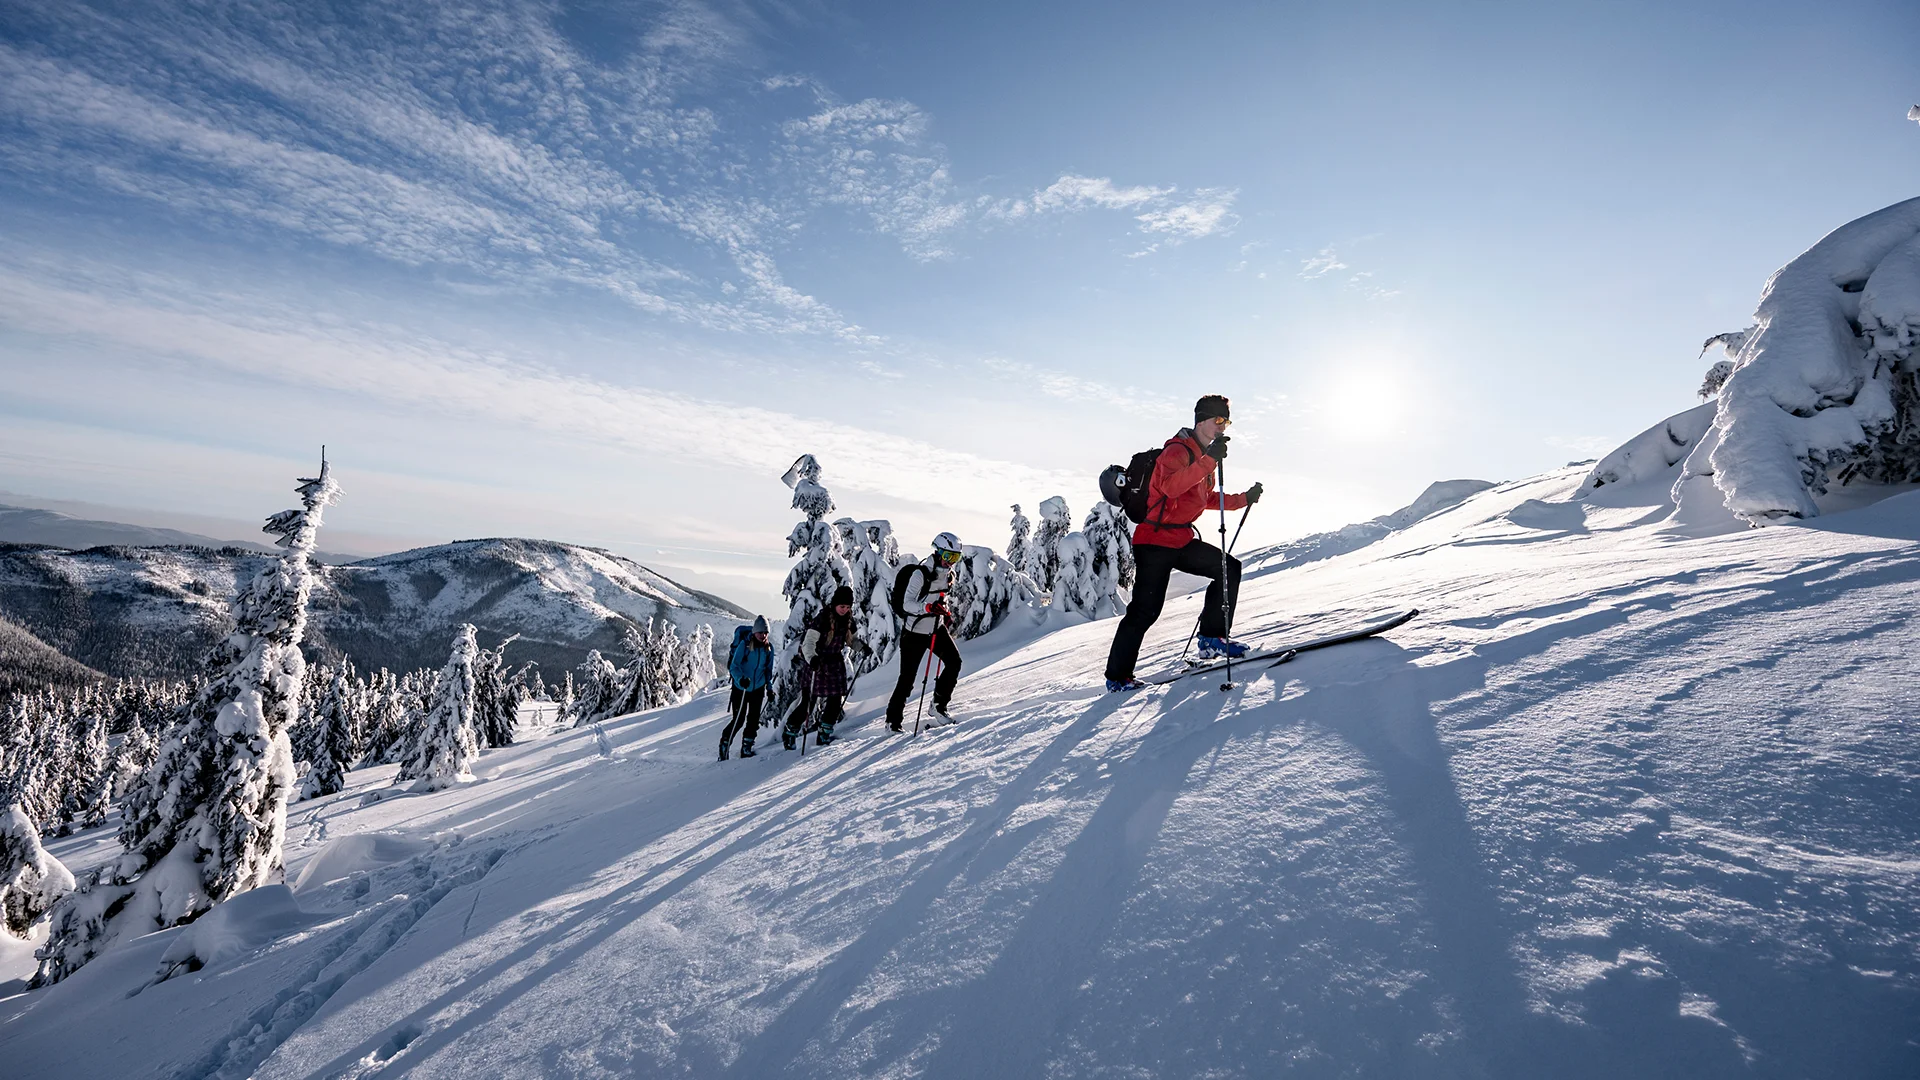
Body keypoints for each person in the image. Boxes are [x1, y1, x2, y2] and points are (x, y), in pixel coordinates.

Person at [1104, 393, 1265, 691]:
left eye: (1226, 421)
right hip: (1153, 542)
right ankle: (1117, 677)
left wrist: (1243, 499)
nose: (1223, 426)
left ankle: (1211, 639)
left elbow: (1202, 498)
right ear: (1201, 420)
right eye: (1218, 420)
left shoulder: (1204, 455)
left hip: (1179, 538)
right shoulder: (1177, 450)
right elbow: (1169, 487)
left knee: (1228, 568)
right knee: (1145, 610)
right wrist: (1209, 461)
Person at [885, 531, 965, 731]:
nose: (951, 562)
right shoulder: (920, 574)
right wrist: (927, 609)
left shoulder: (949, 576)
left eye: (955, 557)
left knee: (954, 662)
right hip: (914, 632)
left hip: (936, 629)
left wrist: (944, 613)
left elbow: (941, 599)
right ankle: (892, 723)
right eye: (948, 556)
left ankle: (938, 706)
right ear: (937, 552)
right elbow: (907, 603)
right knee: (907, 679)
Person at [783, 585, 856, 749]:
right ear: (835, 604)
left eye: (847, 607)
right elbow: (808, 643)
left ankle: (824, 733)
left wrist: (862, 647)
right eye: (842, 606)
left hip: (834, 665)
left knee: (835, 701)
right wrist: (812, 659)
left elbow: (851, 640)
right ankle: (790, 730)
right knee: (808, 704)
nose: (844, 610)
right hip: (817, 664)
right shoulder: (822, 619)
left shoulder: (848, 620)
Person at [720, 615, 773, 760]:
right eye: (760, 632)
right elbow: (734, 666)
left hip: (758, 688)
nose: (763, 635)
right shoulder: (744, 645)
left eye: (765, 633)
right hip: (741, 688)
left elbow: (768, 670)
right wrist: (740, 679)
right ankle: (725, 744)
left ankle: (747, 747)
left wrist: (770, 688)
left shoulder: (768, 648)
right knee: (739, 719)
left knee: (753, 720)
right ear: (755, 632)